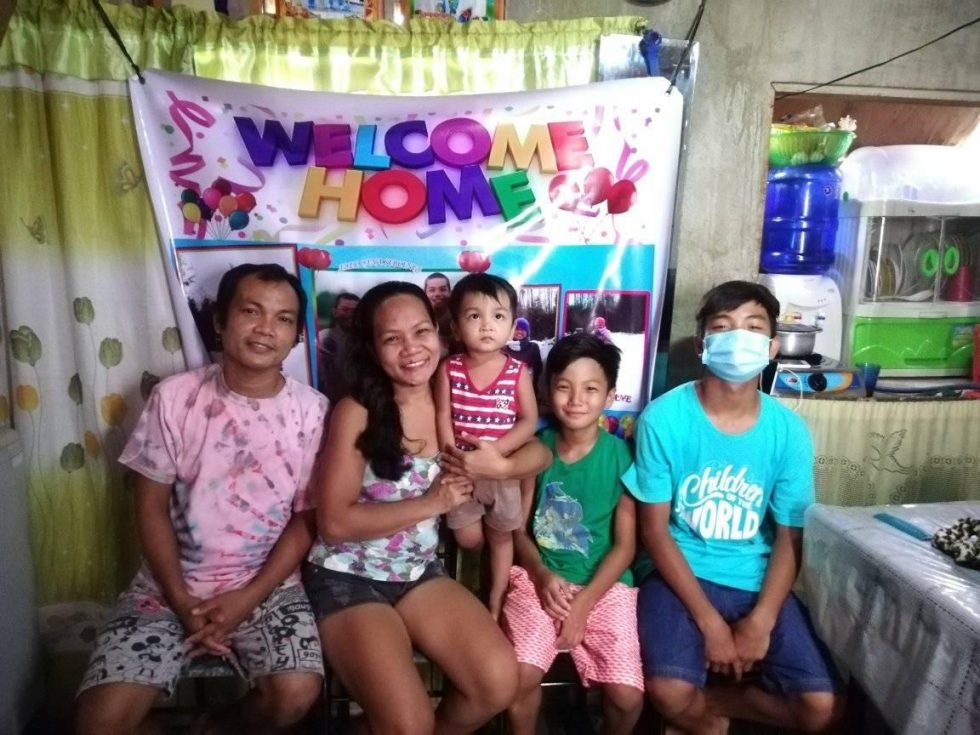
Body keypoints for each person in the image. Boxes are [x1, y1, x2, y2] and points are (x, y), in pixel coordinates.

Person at [76, 263, 328, 734]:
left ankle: (212, 727)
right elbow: (149, 506)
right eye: (250, 311)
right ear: (219, 320)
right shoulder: (174, 397)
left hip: (267, 588)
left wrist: (247, 598)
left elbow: (307, 519)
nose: (265, 328)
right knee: (99, 722)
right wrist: (180, 599)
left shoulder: (312, 411)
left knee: (296, 696)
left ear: (296, 336)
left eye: (283, 318)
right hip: (167, 586)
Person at [303, 281, 550, 734]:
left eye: (421, 331)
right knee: (408, 725)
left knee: (498, 683)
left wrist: (499, 465)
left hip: (418, 572)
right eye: (391, 338)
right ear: (372, 349)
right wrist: (430, 502)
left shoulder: (452, 396)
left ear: (439, 333)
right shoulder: (357, 411)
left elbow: (540, 452)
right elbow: (334, 523)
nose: (412, 348)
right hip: (347, 577)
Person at [625, 281, 843, 734]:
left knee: (820, 709)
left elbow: (790, 535)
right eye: (723, 327)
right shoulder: (663, 419)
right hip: (679, 573)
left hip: (755, 577)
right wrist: (711, 625)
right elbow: (655, 532)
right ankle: (708, 723)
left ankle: (710, 704)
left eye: (753, 327)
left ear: (772, 346)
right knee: (668, 691)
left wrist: (761, 621)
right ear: (702, 345)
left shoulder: (789, 431)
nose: (738, 337)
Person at [503, 333, 644, 735]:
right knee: (519, 678)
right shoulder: (536, 450)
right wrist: (541, 574)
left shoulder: (621, 456)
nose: (576, 399)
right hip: (540, 580)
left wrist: (584, 603)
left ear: (610, 395)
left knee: (627, 697)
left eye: (591, 389)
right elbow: (518, 530)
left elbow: (625, 547)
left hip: (605, 587)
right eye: (564, 387)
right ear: (548, 391)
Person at [435, 273, 539, 620]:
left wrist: (496, 453)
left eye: (498, 316)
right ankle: (478, 571)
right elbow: (442, 414)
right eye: (473, 316)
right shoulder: (449, 369)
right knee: (466, 538)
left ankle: (496, 599)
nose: (486, 325)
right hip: (460, 472)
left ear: (512, 327)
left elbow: (528, 420)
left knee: (502, 536)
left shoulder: (517, 372)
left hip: (500, 472)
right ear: (456, 326)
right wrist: (453, 458)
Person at [317, 291, 359, 406]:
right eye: (345, 310)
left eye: (355, 311)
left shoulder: (367, 341)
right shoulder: (322, 338)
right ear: (334, 312)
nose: (350, 314)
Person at [506, 316, 543, 393]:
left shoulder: (533, 347)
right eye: (517, 329)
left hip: (528, 388)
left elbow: (538, 369)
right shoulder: (505, 348)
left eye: (523, 329)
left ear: (527, 332)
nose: (519, 332)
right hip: (507, 389)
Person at [425, 271, 453, 353]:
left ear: (450, 292)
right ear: (425, 293)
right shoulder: (418, 316)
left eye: (442, 289)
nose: (437, 294)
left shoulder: (458, 315)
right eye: (432, 290)